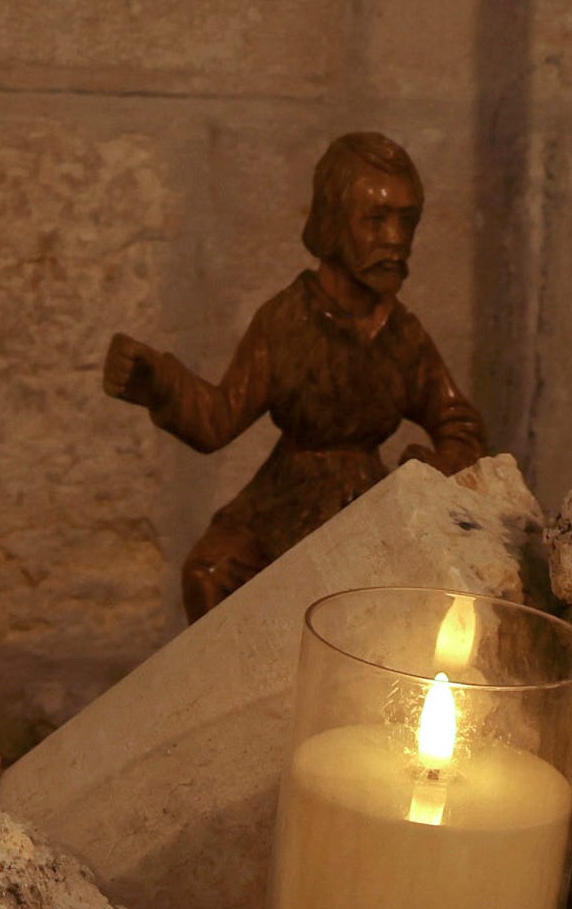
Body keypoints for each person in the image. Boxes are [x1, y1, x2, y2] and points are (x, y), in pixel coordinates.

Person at [104, 131, 490, 619]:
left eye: (406, 220)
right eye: (375, 219)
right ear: (331, 222)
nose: (395, 239)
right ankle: (231, 694)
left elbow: (460, 423)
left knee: (380, 613)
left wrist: (442, 465)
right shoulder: (286, 321)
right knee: (209, 574)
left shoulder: (402, 335)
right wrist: (157, 381)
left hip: (366, 510)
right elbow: (217, 419)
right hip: (281, 502)